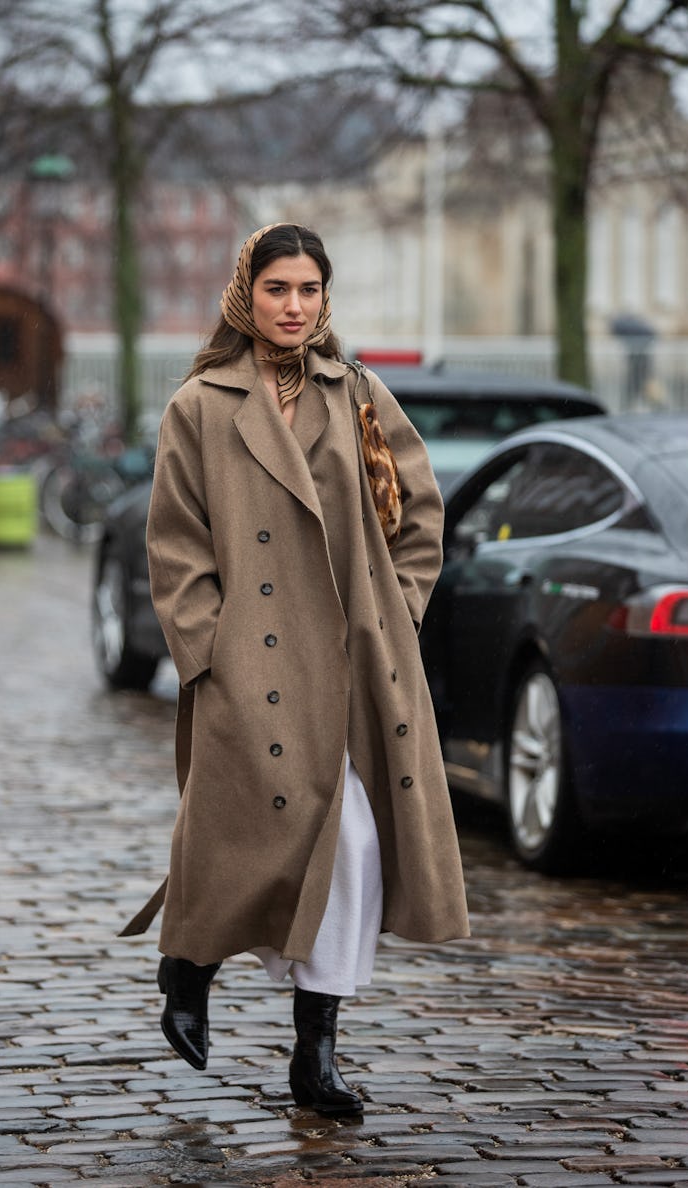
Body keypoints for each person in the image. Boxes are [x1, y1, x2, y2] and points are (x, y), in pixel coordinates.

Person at [120, 223, 470, 1116]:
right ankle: (189, 964)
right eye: (278, 288)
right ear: (248, 293)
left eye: (309, 290)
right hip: (252, 661)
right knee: (243, 834)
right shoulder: (200, 404)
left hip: (354, 660)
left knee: (349, 844)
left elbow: (419, 512)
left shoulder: (356, 393)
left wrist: (398, 610)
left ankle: (315, 1054)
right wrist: (208, 651)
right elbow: (176, 545)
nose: (293, 306)